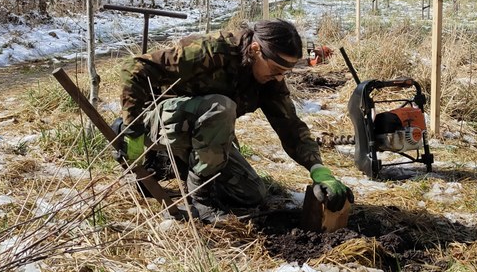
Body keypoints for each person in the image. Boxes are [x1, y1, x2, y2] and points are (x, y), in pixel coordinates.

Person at [118, 18, 353, 222]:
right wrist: (132, 132)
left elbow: (290, 126)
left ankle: (168, 164)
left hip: (202, 132)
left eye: (285, 72)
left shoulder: (270, 81)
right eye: (275, 68)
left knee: (251, 194)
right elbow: (134, 67)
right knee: (222, 108)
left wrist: (318, 169)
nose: (279, 78)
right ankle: (199, 197)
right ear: (254, 50)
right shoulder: (211, 51)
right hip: (156, 120)